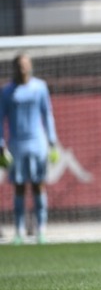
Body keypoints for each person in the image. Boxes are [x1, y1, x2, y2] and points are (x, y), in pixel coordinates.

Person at [0, 53, 60, 245]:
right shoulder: (7, 91)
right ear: (14, 68)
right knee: (19, 187)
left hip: (37, 144)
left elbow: (47, 114)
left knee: (38, 185)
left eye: (25, 64)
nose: (22, 68)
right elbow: (0, 118)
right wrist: (1, 144)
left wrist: (52, 141)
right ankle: (19, 231)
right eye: (19, 65)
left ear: (31, 66)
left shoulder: (40, 87)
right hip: (17, 144)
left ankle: (41, 229)